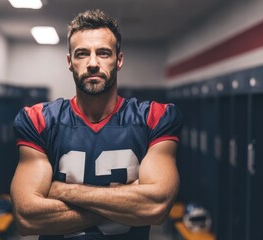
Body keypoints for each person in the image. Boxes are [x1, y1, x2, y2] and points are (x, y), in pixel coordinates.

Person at [10, 9, 183, 240]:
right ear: (70, 62)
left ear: (118, 60)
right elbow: (27, 217)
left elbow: (156, 207)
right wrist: (128, 200)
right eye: (82, 54)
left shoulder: (153, 118)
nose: (93, 63)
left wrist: (59, 190)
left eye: (103, 53)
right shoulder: (39, 121)